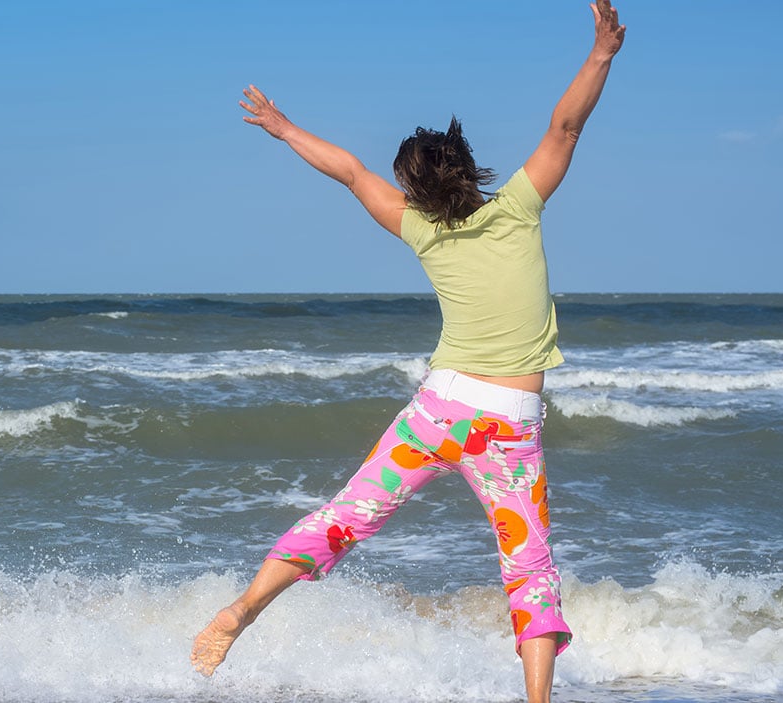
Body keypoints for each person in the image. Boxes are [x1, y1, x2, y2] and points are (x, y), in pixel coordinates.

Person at [190, 2, 626, 701]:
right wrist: (602, 53)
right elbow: (564, 126)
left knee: (347, 516)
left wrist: (282, 127)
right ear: (469, 167)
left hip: (440, 409)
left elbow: (350, 171)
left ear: (416, 190)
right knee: (530, 567)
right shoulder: (517, 205)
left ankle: (242, 608)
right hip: (507, 427)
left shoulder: (419, 230)